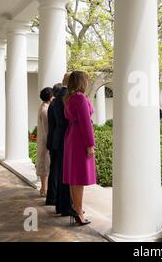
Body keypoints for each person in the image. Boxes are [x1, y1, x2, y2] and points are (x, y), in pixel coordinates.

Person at [63, 71, 97, 226]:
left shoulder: (69, 97)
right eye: (86, 80)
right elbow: (85, 123)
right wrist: (90, 145)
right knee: (78, 179)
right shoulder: (80, 98)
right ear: (81, 81)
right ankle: (78, 211)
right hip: (79, 139)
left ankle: (76, 209)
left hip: (72, 137)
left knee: (74, 178)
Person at [46, 78, 72, 217]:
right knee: (63, 174)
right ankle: (64, 205)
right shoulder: (64, 98)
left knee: (57, 172)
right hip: (63, 140)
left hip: (56, 140)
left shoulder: (54, 103)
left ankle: (57, 202)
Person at [36, 87, 53, 197]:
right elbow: (46, 128)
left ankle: (44, 188)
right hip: (45, 140)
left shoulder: (42, 107)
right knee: (45, 164)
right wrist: (49, 143)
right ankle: (44, 188)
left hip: (42, 139)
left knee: (44, 163)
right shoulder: (45, 110)